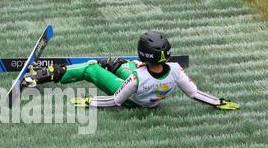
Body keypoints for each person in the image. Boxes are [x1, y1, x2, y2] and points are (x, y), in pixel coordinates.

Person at [21, 31, 239, 110]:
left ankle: (41, 76)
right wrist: (217, 101)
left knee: (90, 68)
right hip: (151, 97)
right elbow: (194, 93)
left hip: (132, 99)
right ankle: (112, 64)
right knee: (123, 64)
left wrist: (90, 101)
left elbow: (116, 100)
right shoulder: (175, 70)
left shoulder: (136, 77)